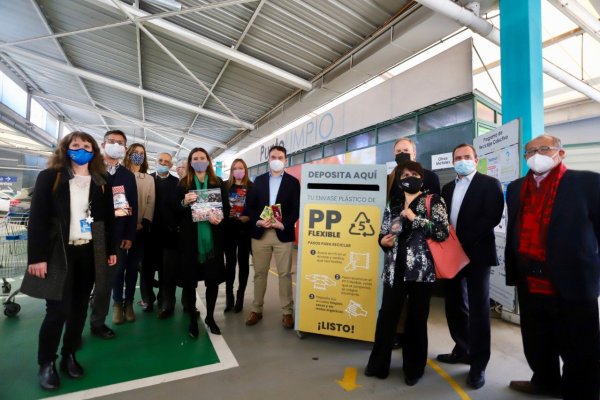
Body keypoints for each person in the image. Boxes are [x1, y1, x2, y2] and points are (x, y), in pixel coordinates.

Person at [505, 134, 600, 400]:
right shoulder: (515, 188)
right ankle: (545, 381)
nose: (536, 154)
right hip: (530, 279)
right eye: (530, 151)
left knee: (581, 347)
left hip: (573, 282)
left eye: (544, 148)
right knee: (537, 341)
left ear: (561, 153)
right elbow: (515, 228)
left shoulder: (587, 183)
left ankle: (580, 393)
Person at [23, 131, 117, 390]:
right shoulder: (50, 177)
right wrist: (37, 257)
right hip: (58, 253)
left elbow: (108, 220)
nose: (81, 150)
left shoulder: (101, 181)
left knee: (78, 310)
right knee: (57, 311)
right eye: (76, 145)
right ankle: (46, 362)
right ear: (65, 149)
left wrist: (110, 250)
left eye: (87, 146)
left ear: (94, 152)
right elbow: (38, 219)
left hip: (88, 252)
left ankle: (69, 355)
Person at [365, 161, 449, 386]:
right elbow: (383, 232)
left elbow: (442, 232)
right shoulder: (393, 202)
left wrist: (415, 219)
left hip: (421, 272)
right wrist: (382, 241)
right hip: (394, 270)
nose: (408, 177)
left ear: (421, 178)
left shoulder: (434, 201)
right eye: (404, 174)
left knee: (416, 320)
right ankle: (378, 365)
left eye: (413, 173)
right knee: (386, 317)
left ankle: (414, 369)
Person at [437, 143, 504, 390]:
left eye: (467, 157)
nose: (462, 160)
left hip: (477, 255)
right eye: (458, 157)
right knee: (454, 305)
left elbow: (492, 217)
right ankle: (462, 348)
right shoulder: (448, 187)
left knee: (478, 310)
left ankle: (478, 365)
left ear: (476, 160)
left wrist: (461, 242)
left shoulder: (489, 184)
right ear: (452, 161)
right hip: (451, 257)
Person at [244, 146, 300, 329]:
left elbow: (296, 209)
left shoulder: (293, 183)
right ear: (268, 159)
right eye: (273, 156)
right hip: (260, 235)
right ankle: (256, 309)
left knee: (285, 274)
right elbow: (249, 209)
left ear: (286, 159)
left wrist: (282, 224)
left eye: (280, 157)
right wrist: (259, 222)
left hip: (282, 234)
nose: (277, 159)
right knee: (260, 273)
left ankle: (287, 312)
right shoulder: (258, 181)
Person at [89, 130, 138, 339]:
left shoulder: (127, 175)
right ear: (103, 144)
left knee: (106, 282)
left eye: (120, 143)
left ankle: (98, 322)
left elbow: (132, 205)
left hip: (116, 235)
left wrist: (129, 234)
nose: (116, 145)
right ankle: (73, 327)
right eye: (112, 142)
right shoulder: (90, 169)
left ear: (125, 148)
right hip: (89, 233)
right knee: (82, 282)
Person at [178, 147, 229, 337]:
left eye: (202, 157)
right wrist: (184, 203)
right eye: (195, 158)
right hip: (190, 244)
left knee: (213, 281)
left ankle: (210, 317)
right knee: (190, 283)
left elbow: (225, 207)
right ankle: (192, 318)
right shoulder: (183, 184)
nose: (199, 160)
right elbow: (175, 211)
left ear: (208, 161)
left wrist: (219, 218)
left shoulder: (218, 183)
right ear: (191, 162)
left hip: (213, 242)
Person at [112, 143, 155, 324]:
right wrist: (126, 226)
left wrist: (141, 223)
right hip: (120, 229)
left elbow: (150, 202)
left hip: (140, 230)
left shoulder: (148, 179)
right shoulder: (120, 174)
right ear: (128, 154)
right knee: (118, 268)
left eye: (141, 154)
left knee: (132, 268)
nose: (138, 156)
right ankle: (117, 303)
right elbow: (118, 201)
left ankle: (129, 302)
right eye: (135, 153)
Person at [140, 152, 180, 317]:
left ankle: (167, 303)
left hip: (169, 234)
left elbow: (180, 207)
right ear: (155, 162)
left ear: (171, 166)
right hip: (148, 233)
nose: (163, 163)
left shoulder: (177, 183)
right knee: (146, 269)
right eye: (160, 160)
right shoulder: (147, 180)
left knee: (167, 271)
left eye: (167, 162)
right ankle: (147, 300)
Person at [223, 158, 253, 313]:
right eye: (235, 168)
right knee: (230, 264)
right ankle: (229, 297)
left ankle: (240, 295)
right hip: (229, 230)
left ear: (245, 170)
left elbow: (257, 207)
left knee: (243, 264)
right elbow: (219, 206)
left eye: (240, 168)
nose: (238, 170)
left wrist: (248, 217)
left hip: (245, 231)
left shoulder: (252, 187)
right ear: (232, 171)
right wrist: (226, 213)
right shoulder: (225, 186)